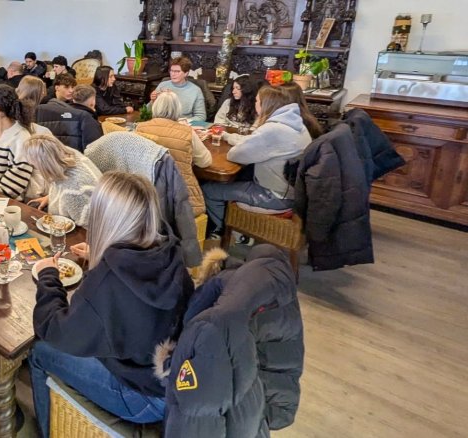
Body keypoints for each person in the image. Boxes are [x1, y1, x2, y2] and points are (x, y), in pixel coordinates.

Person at [28, 171, 194, 436]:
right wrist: (100, 253)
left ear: (103, 217)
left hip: (140, 396)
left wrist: (48, 275)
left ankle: (46, 430)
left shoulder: (108, 278)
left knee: (40, 352)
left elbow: (55, 331)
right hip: (173, 384)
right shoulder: (171, 252)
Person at [202, 86, 312, 234]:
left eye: (257, 101)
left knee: (209, 189)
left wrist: (234, 142)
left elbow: (235, 155)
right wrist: (228, 137)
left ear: (265, 105)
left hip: (275, 196)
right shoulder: (295, 124)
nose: (255, 104)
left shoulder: (272, 130)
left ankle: (224, 232)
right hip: (294, 193)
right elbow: (253, 141)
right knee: (238, 176)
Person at [24, 135, 102, 226]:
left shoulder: (74, 191)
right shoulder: (68, 154)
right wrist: (50, 197)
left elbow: (88, 229)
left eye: (35, 165)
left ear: (45, 165)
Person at [37, 82, 102, 152]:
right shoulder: (87, 119)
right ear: (92, 102)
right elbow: (95, 151)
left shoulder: (55, 111)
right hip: (77, 159)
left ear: (73, 99)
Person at [151, 56, 207, 122]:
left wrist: (181, 122)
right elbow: (150, 112)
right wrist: (153, 100)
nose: (173, 74)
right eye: (171, 71)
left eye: (177, 71)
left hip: (183, 125)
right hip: (163, 123)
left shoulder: (196, 90)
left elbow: (201, 117)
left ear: (186, 73)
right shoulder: (163, 85)